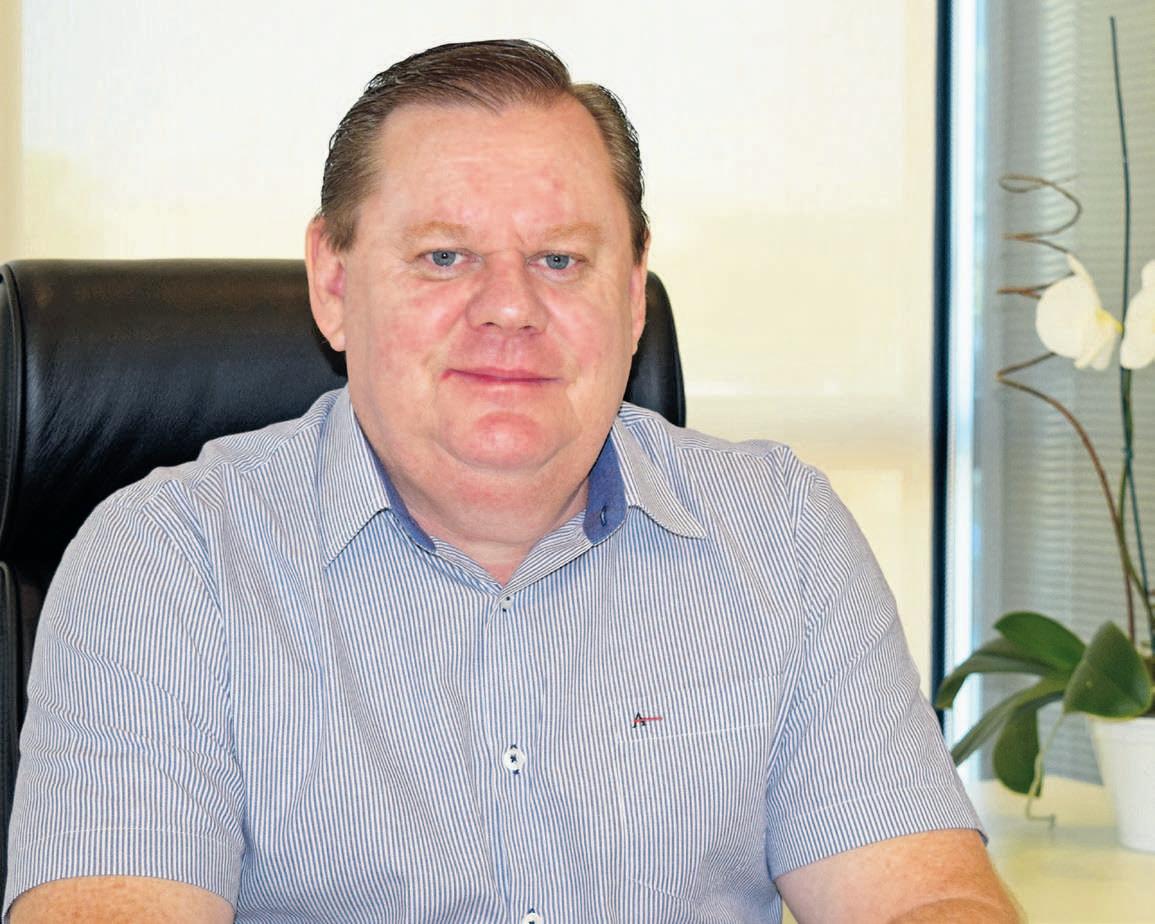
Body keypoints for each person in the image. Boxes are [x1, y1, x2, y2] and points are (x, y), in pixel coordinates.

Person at [4, 39, 1018, 923]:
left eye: (561, 260)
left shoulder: (782, 535)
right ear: (335, 282)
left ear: (633, 294)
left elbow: (923, 898)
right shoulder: (168, 563)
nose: (509, 307)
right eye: (444, 256)